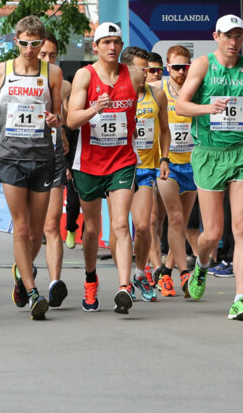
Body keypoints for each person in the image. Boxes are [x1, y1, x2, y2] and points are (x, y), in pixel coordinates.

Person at [176, 15, 243, 321]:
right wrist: (208, 108)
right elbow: (181, 105)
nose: (234, 41)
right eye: (228, 36)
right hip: (208, 152)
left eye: (239, 35)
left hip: (242, 151)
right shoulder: (203, 65)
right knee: (212, 234)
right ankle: (201, 265)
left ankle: (240, 299)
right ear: (216, 36)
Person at [66, 22, 144, 315]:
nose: (113, 47)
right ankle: (90, 278)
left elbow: (154, 97)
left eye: (117, 42)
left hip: (122, 161)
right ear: (95, 46)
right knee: (92, 228)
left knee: (121, 223)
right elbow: (72, 120)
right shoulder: (85, 76)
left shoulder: (134, 74)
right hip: (89, 163)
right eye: (106, 42)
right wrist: (95, 109)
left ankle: (124, 287)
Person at [0, 15, 63, 320]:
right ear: (15, 41)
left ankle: (21, 274)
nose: (30, 49)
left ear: (42, 42)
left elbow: (57, 112)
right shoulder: (0, 71)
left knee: (35, 234)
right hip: (11, 156)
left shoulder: (53, 73)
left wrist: (54, 119)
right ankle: (34, 292)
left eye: (36, 43)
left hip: (42, 156)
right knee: (19, 226)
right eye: (24, 43)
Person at [154, 45, 200, 297]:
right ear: (167, 67)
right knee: (176, 218)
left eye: (186, 67)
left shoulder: (196, 89)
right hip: (168, 163)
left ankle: (165, 271)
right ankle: (185, 274)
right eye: (176, 67)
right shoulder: (160, 91)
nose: (181, 72)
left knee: (180, 224)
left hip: (192, 164)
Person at [128, 49, 171, 302]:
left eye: (149, 69)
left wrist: (164, 158)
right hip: (119, 168)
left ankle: (138, 272)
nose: (146, 74)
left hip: (146, 168)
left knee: (143, 226)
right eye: (141, 69)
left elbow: (165, 130)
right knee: (120, 227)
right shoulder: (116, 95)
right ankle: (124, 280)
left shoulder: (157, 94)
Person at [39, 33, 72, 307]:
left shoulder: (64, 83)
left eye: (52, 55)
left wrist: (60, 127)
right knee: (26, 229)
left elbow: (68, 119)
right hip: (22, 157)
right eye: (43, 55)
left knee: (51, 225)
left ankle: (54, 283)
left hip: (53, 157)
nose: (48, 60)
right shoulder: (12, 79)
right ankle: (24, 277)